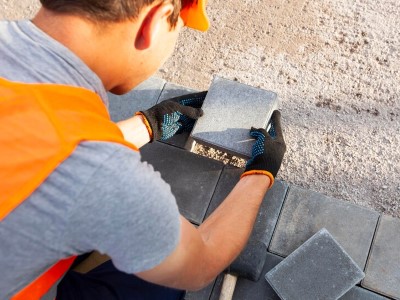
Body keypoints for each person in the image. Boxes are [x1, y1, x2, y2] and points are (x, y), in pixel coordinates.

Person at [0, 0, 286, 299]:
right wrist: (260, 172)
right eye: (179, 28)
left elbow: (39, 143)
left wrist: (149, 125)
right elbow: (201, 261)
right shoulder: (103, 176)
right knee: (153, 285)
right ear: (156, 18)